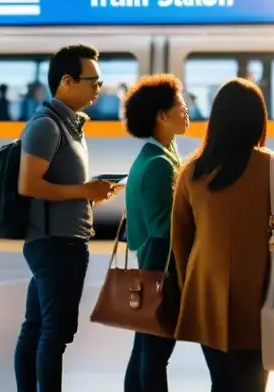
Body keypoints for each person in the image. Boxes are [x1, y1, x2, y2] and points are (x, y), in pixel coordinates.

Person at [171, 78, 274, 392]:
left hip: (207, 296)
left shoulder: (191, 171)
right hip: (261, 298)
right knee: (253, 384)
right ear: (258, 120)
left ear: (216, 119)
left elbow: (180, 242)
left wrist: (189, 288)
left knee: (221, 382)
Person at [14, 44, 119, 392]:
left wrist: (91, 195)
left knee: (37, 326)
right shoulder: (46, 126)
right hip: (54, 244)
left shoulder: (69, 125)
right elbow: (29, 185)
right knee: (54, 333)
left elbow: (63, 186)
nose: (98, 89)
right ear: (66, 81)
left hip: (63, 240)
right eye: (94, 82)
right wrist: (84, 192)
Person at [122, 75, 190, 392]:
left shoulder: (161, 153)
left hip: (150, 267)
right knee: (155, 355)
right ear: (162, 116)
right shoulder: (159, 164)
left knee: (144, 350)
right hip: (159, 271)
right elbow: (163, 227)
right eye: (180, 105)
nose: (186, 110)